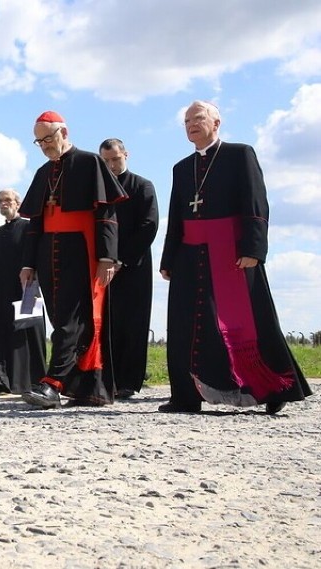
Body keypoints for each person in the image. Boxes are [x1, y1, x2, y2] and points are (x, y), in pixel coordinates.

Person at [158, 100, 311, 414]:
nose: (190, 124)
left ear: (217, 122)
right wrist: (169, 258)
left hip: (231, 252)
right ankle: (186, 396)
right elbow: (176, 215)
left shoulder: (239, 154)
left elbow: (256, 202)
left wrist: (253, 249)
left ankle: (271, 388)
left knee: (249, 322)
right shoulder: (181, 167)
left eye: (197, 118)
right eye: (186, 121)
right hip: (189, 253)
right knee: (185, 323)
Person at [18, 111, 127, 409]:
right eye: (38, 141)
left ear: (64, 132)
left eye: (48, 138)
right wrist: (28, 264)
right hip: (47, 252)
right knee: (62, 320)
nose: (44, 145)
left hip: (80, 249)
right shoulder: (42, 173)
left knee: (69, 320)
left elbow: (106, 214)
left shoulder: (90, 162)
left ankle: (52, 384)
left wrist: (107, 256)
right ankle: (83, 386)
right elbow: (34, 224)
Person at [98, 139, 159, 400]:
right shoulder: (99, 190)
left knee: (133, 323)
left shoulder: (142, 186)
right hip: (104, 266)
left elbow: (149, 225)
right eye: (106, 161)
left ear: (126, 155)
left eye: (115, 159)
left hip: (134, 265)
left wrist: (121, 259)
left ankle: (130, 380)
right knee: (108, 323)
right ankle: (108, 378)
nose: (112, 165)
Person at [0, 189, 48, 399]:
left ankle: (35, 384)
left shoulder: (29, 228)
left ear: (18, 204)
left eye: (7, 200)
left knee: (29, 335)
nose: (3, 203)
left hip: (27, 290)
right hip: (1, 291)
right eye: (0, 200)